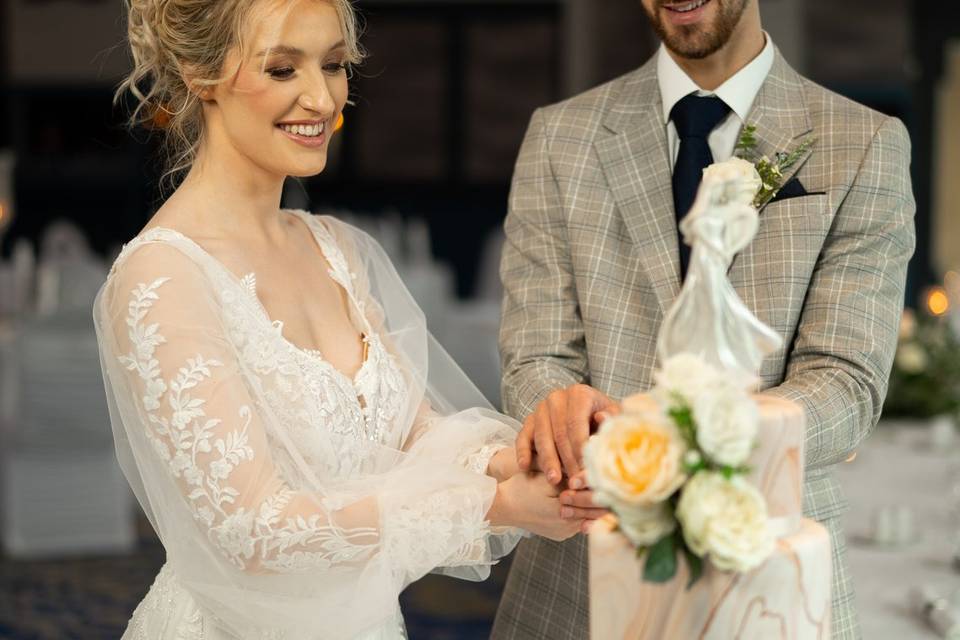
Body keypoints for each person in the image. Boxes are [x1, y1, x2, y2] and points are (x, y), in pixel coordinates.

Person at [96, 1, 583, 638]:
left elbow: (410, 434)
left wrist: (514, 463)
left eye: (332, 65)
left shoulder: (335, 249)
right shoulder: (162, 278)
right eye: (281, 69)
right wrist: (492, 506)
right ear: (199, 73)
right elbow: (255, 533)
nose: (321, 99)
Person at [492, 1, 916, 638]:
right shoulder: (560, 136)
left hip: (769, 573)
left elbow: (847, 381)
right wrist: (575, 426)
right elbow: (535, 359)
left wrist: (682, 448)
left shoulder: (864, 142)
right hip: (576, 581)